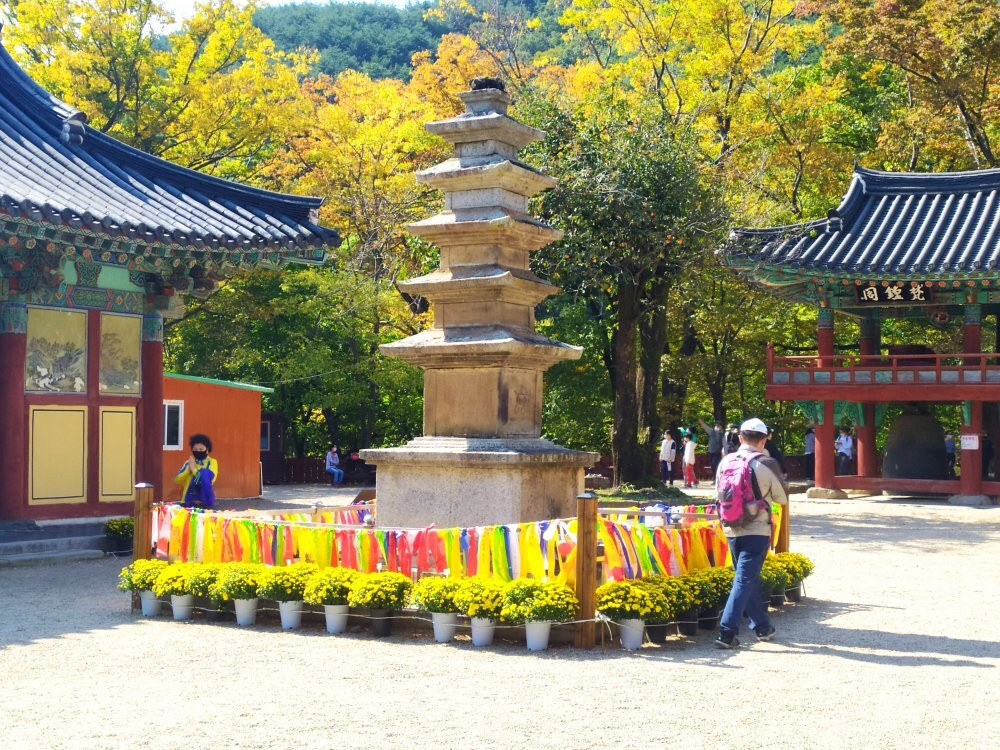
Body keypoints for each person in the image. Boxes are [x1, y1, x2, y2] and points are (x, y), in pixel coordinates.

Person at [714, 418, 788, 649]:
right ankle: (726, 632)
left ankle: (762, 627)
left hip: (731, 527)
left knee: (746, 577)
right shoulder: (766, 463)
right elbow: (782, 498)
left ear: (740, 438)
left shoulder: (725, 462)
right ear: (764, 439)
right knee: (744, 578)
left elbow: (718, 491)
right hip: (757, 529)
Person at [175, 433, 218, 509]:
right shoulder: (189, 462)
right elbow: (177, 480)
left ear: (207, 450)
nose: (198, 451)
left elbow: (210, 479)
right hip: (187, 502)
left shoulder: (212, 462)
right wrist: (188, 470)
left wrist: (194, 469)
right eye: (195, 449)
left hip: (204, 502)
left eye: (201, 449)